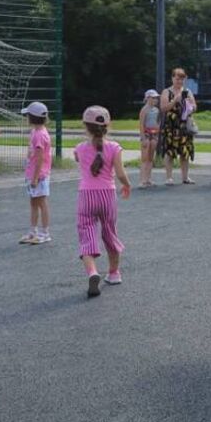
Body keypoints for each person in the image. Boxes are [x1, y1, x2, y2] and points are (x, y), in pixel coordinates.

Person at [74, 106, 132, 298]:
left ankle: (92, 272)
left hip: (86, 195)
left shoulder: (80, 149)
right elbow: (121, 173)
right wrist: (127, 185)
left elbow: (79, 158)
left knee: (87, 234)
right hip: (107, 194)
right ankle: (114, 273)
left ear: (86, 127)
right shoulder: (114, 148)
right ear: (107, 126)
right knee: (109, 232)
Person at [18, 101, 52, 244]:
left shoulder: (39, 135)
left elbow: (40, 158)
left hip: (39, 175)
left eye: (28, 116)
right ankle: (33, 232)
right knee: (33, 202)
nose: (26, 118)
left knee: (42, 203)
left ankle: (45, 233)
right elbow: (32, 154)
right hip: (33, 173)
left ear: (32, 117)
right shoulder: (35, 132)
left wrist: (35, 178)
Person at [158, 68, 196, 185]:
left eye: (182, 79)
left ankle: (185, 177)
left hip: (184, 126)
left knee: (185, 152)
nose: (179, 81)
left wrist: (189, 103)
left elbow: (195, 108)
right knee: (170, 152)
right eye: (177, 78)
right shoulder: (166, 92)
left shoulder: (188, 91)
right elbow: (163, 108)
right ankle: (169, 178)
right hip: (171, 126)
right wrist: (175, 100)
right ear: (172, 78)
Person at [138, 89, 161, 189]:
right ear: (147, 98)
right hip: (146, 134)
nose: (155, 100)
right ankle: (142, 180)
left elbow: (158, 122)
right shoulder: (144, 110)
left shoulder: (156, 110)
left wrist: (158, 133)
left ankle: (148, 179)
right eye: (153, 98)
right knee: (144, 158)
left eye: (156, 98)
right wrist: (143, 137)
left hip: (154, 134)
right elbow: (141, 124)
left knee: (151, 158)